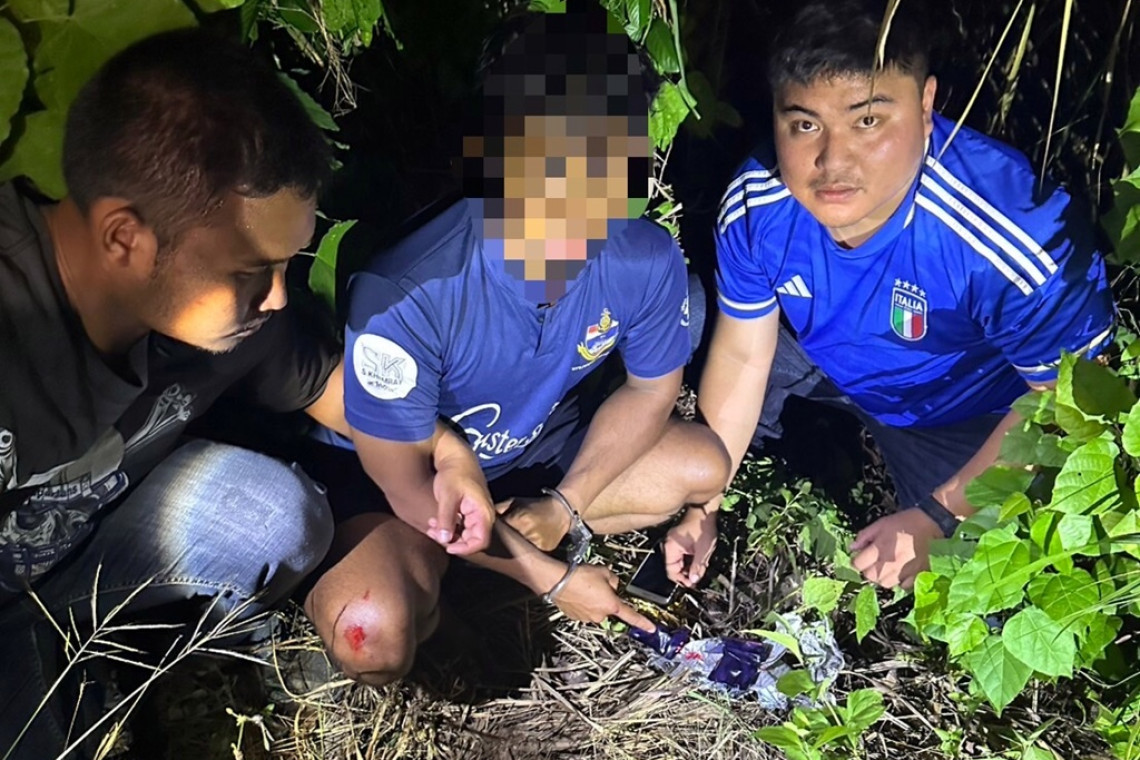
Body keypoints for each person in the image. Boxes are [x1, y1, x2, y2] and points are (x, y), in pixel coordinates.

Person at [301, 9, 730, 686]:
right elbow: (410, 487)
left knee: (704, 465)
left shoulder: (643, 256)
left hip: (533, 455)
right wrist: (551, 580)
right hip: (410, 488)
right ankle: (432, 574)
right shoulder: (405, 291)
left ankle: (482, 558)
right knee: (372, 632)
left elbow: (652, 390)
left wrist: (564, 506)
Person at [0, 28, 378, 759]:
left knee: (279, 516)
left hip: (61, 564)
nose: (278, 297)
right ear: (125, 239)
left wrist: (443, 457)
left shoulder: (216, 312)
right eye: (250, 270)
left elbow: (331, 386)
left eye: (285, 266)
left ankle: (76, 650)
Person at [670, 0, 1115, 591]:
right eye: (805, 125)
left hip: (963, 417)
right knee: (688, 326)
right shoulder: (759, 200)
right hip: (822, 359)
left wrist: (940, 514)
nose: (833, 161)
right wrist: (704, 503)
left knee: (987, 589)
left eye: (868, 121)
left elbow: (1067, 401)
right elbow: (745, 354)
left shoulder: (1014, 235)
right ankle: (800, 448)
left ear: (926, 106)